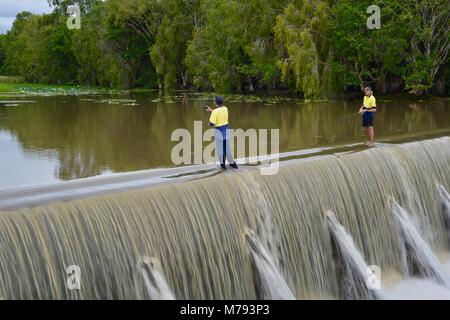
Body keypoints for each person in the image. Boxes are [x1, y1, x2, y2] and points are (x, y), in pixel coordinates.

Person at [205, 96, 239, 170]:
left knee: (220, 151)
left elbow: (211, 123)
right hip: (226, 130)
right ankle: (234, 166)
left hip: (219, 132)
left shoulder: (215, 112)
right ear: (222, 102)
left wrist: (208, 123)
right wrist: (211, 110)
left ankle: (223, 167)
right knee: (227, 149)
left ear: (215, 102)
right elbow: (219, 112)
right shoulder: (225, 108)